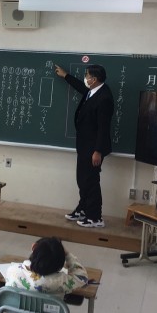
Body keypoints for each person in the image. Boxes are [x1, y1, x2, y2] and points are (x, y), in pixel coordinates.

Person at [54, 63, 114, 228]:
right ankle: (83, 209)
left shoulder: (104, 98)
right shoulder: (93, 90)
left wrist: (98, 151)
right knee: (82, 179)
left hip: (93, 148)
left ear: (94, 79)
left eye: (87, 75)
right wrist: (66, 76)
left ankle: (95, 217)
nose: (85, 78)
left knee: (91, 181)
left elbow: (103, 127)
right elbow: (81, 87)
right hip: (84, 145)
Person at [4, 237, 88, 313]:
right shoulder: (61, 281)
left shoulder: (13, 272)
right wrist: (67, 254)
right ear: (60, 264)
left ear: (33, 247)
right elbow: (82, 277)